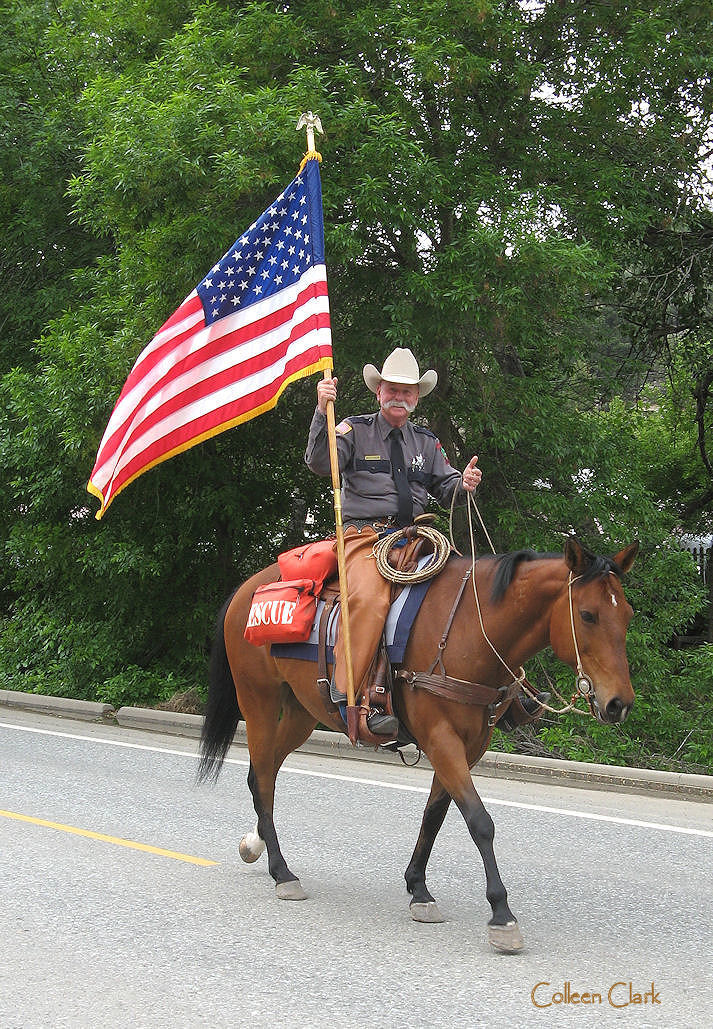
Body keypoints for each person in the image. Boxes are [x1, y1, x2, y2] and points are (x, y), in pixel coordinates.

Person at [304, 347, 481, 736]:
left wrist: (463, 485)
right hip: (363, 537)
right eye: (393, 389)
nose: (399, 397)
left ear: (417, 398)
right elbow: (320, 463)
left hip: (416, 537)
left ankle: (469, 692)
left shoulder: (426, 443)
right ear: (378, 391)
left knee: (466, 587)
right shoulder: (352, 428)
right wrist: (321, 411)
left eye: (407, 391)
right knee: (370, 598)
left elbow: (447, 486)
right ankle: (347, 691)